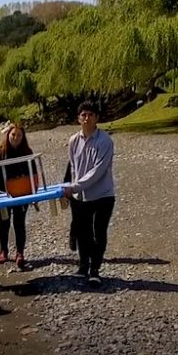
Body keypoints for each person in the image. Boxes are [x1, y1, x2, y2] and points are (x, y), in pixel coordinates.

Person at [62, 101, 116, 287]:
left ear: (97, 118)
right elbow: (74, 168)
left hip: (103, 194)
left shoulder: (105, 141)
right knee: (83, 233)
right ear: (78, 118)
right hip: (80, 196)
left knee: (99, 232)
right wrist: (69, 187)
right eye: (83, 114)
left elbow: (98, 171)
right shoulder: (73, 141)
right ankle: (83, 266)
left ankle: (95, 270)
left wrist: (74, 187)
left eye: (91, 115)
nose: (87, 118)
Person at [0, 124, 35, 269]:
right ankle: (3, 250)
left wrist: (33, 193)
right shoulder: (0, 152)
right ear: (8, 135)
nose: (15, 138)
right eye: (13, 135)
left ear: (23, 137)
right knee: (4, 222)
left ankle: (20, 253)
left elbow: (33, 173)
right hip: (3, 193)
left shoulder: (27, 151)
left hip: (22, 193)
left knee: (19, 223)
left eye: (19, 135)